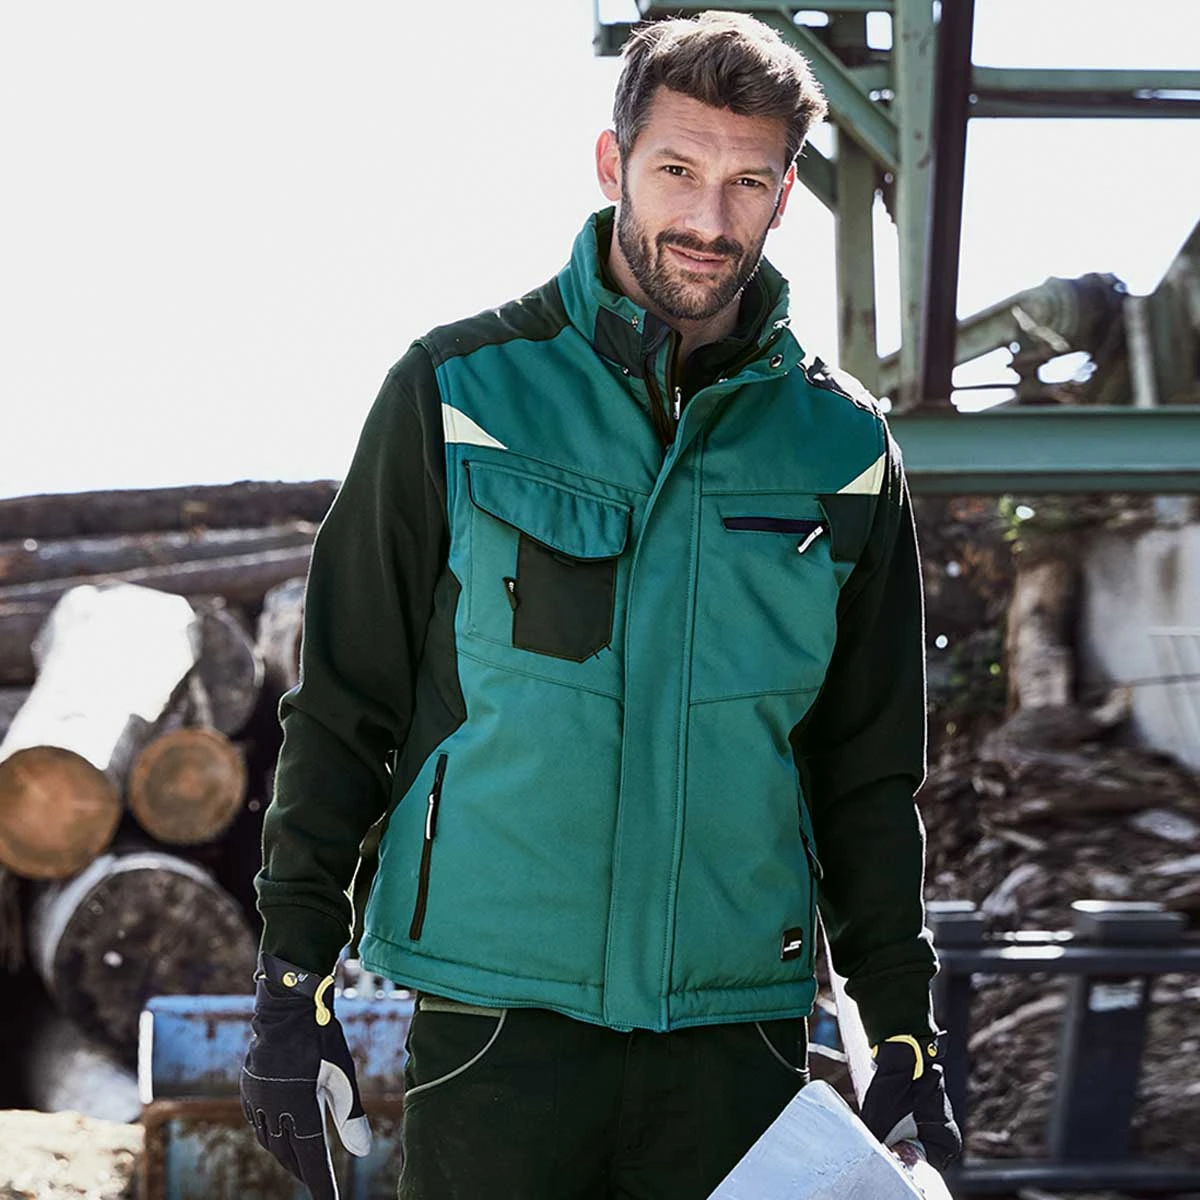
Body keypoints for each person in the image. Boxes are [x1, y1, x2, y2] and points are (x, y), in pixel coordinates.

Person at [239, 11, 961, 1199]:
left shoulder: (842, 449)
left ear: (786, 197)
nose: (709, 218)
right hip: (499, 1029)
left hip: (735, 1043)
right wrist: (290, 981)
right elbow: (344, 705)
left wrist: (900, 1025)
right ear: (612, 163)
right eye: (677, 169)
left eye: (747, 182)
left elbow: (867, 774)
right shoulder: (457, 391)